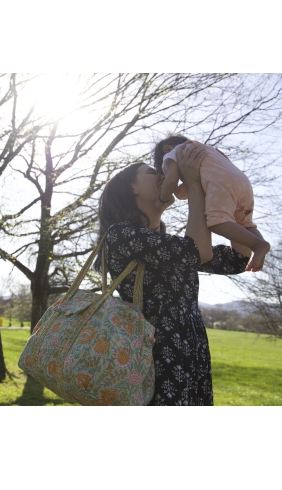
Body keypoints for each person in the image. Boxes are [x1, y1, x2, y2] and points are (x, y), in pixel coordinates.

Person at [97, 142, 251, 405]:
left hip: (191, 352)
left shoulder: (168, 244)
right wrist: (193, 185)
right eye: (150, 173)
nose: (162, 175)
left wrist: (234, 201)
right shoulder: (121, 234)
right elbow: (197, 251)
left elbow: (236, 260)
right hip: (154, 356)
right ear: (131, 188)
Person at [153, 134, 270, 272]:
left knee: (217, 222)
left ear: (167, 149)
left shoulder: (171, 155)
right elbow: (194, 182)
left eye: (163, 175)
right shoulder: (204, 150)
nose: (163, 180)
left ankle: (258, 245)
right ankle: (260, 246)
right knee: (244, 223)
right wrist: (182, 190)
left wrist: (162, 200)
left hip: (223, 183)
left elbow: (171, 180)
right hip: (242, 182)